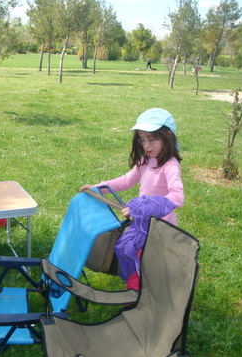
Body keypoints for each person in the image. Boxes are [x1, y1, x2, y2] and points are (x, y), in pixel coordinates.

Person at [79, 108, 184, 290]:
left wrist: (145, 206)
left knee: (143, 261)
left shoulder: (170, 165)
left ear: (167, 136)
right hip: (141, 222)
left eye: (151, 139)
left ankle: (138, 297)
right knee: (125, 250)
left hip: (159, 228)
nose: (146, 145)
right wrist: (98, 188)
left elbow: (177, 197)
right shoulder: (146, 160)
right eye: (142, 140)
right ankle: (137, 289)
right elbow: (126, 181)